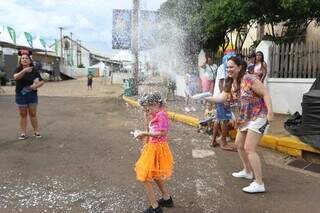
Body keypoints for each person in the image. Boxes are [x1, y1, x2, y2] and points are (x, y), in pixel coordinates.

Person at [206, 56, 273, 193]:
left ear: (239, 67)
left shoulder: (249, 78)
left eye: (231, 67)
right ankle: (248, 171)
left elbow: (265, 93)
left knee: (249, 148)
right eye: (227, 67)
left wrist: (270, 113)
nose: (228, 69)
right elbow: (221, 98)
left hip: (258, 115)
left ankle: (259, 183)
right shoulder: (231, 82)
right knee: (239, 145)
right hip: (245, 118)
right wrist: (205, 97)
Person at [135, 92, 174, 213]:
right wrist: (144, 144)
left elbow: (163, 133)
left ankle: (155, 207)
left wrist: (145, 134)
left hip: (157, 148)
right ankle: (167, 199)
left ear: (157, 104)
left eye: (149, 107)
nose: (148, 110)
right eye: (146, 108)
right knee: (154, 173)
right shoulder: (155, 114)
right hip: (153, 147)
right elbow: (149, 130)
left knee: (144, 175)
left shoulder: (162, 114)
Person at [13, 49, 45, 140]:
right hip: (20, 95)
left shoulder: (34, 70)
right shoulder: (18, 69)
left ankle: (36, 131)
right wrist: (24, 71)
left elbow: (42, 81)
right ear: (20, 60)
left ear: (29, 60)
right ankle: (23, 133)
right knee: (23, 114)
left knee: (33, 113)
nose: (24, 59)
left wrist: (35, 86)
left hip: (32, 95)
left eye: (26, 58)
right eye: (22, 58)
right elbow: (15, 77)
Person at [210, 54, 237, 151]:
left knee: (218, 118)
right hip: (221, 96)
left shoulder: (223, 67)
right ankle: (224, 143)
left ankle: (213, 141)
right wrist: (225, 98)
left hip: (220, 96)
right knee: (225, 120)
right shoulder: (223, 67)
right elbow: (221, 83)